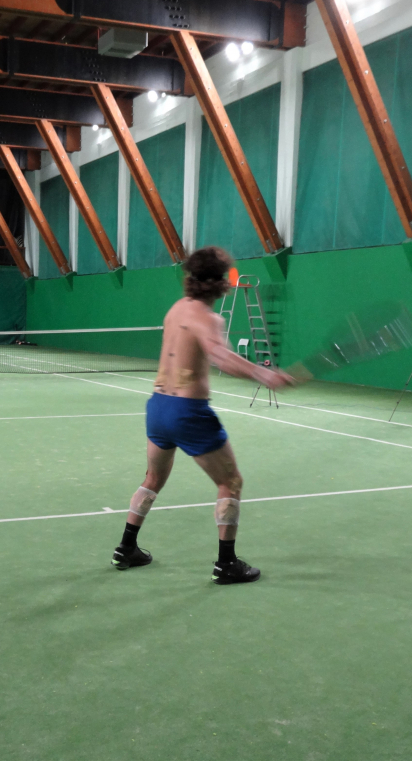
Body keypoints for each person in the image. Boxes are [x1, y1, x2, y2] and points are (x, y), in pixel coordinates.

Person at [112, 246, 294, 584]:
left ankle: (126, 548)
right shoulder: (209, 318)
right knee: (230, 482)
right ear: (220, 283)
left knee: (152, 479)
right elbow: (220, 357)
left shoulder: (176, 309)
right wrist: (265, 374)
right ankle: (226, 564)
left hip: (158, 407)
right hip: (188, 413)